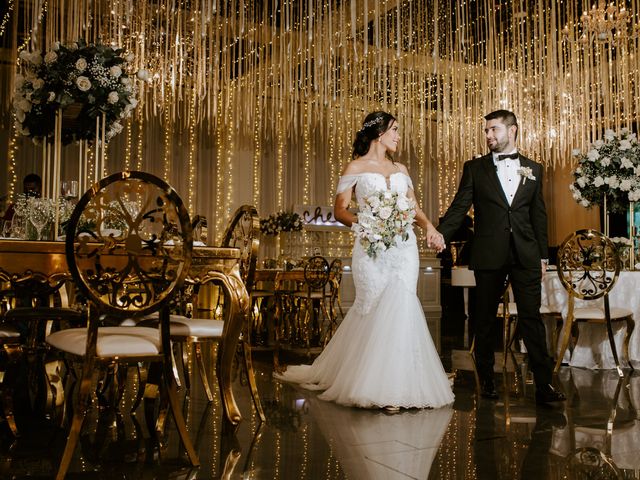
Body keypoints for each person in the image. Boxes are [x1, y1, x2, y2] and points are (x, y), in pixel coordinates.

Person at [274, 111, 454, 410]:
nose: (398, 136)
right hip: (370, 247)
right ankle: (366, 380)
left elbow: (413, 207)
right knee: (371, 306)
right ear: (379, 133)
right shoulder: (355, 167)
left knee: (402, 304)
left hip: (402, 246)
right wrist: (364, 225)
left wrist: (431, 228)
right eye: (394, 130)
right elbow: (341, 209)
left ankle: (399, 384)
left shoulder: (402, 168)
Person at [436, 109, 565, 404]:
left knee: (531, 319)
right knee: (483, 320)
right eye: (486, 131)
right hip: (489, 253)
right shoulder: (475, 168)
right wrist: (441, 233)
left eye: (494, 129)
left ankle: (544, 387)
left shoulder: (534, 168)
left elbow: (538, 215)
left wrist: (543, 256)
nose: (489, 135)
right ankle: (487, 381)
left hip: (526, 254)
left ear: (513, 130)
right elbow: (459, 207)